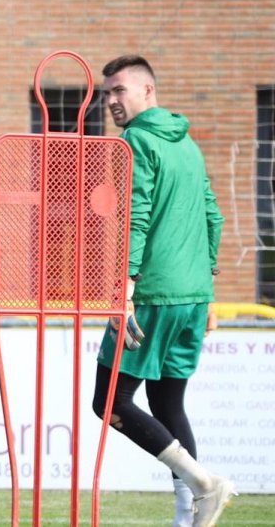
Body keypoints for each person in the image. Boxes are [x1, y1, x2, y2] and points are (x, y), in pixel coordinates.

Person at [91, 55, 233, 527]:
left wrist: (124, 286)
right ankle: (188, 517)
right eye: (106, 92)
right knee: (167, 404)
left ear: (148, 92)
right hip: (191, 297)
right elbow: (213, 216)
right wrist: (207, 287)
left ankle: (206, 484)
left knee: (109, 403)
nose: (110, 100)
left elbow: (137, 215)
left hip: (151, 296)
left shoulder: (135, 141)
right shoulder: (188, 144)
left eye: (119, 91)